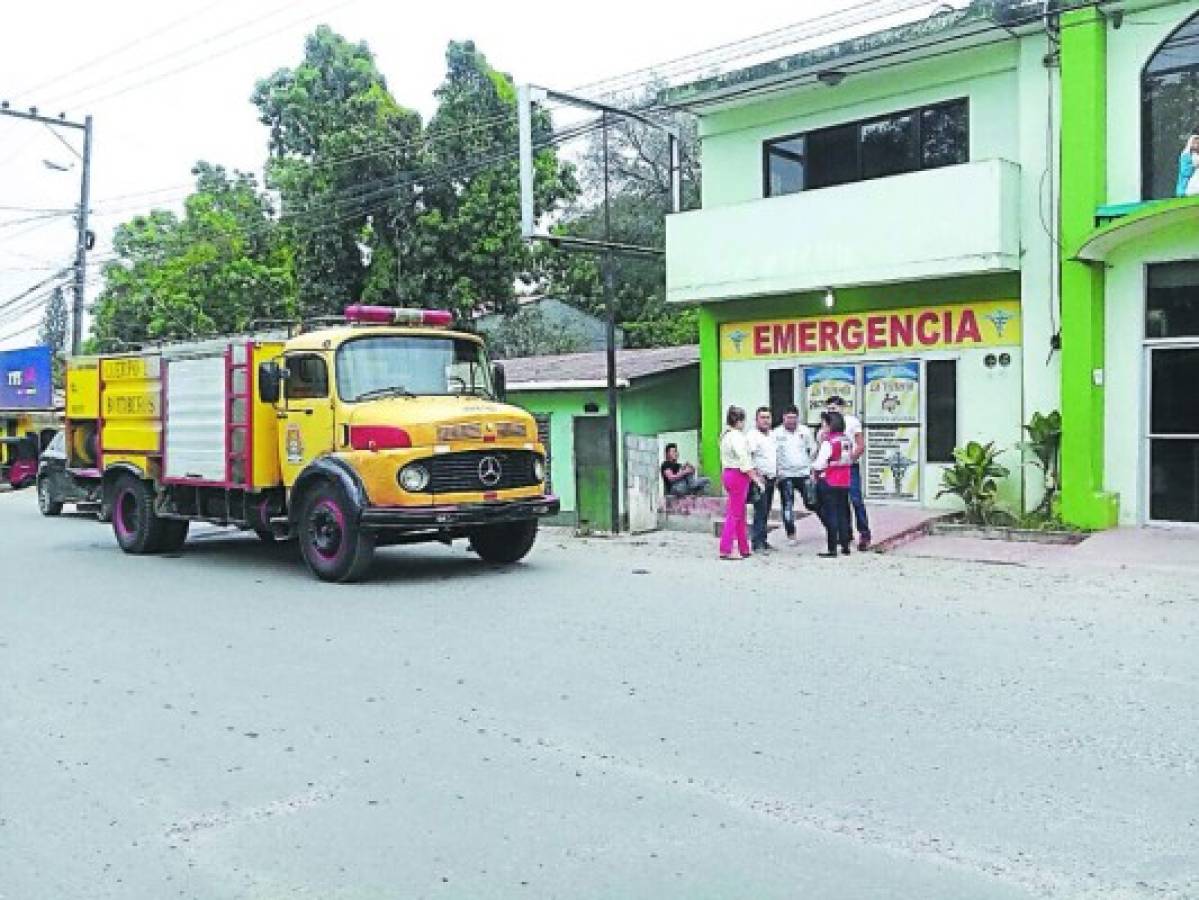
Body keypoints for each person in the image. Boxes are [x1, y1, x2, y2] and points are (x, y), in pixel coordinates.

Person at [822, 395, 872, 550]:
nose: (832, 411)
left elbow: (860, 444)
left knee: (856, 499)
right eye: (829, 409)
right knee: (841, 502)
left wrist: (851, 459)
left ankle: (864, 533)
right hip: (834, 468)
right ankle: (845, 534)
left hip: (850, 466)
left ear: (842, 408)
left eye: (834, 408)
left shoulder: (852, 422)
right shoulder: (827, 424)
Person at [718, 405, 762, 560]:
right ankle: (726, 548)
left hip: (729, 473)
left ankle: (744, 547)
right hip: (738, 474)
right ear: (739, 421)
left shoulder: (725, 435)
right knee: (735, 513)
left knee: (739, 512)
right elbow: (744, 459)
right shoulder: (736, 436)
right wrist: (755, 478)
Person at [773, 404, 818, 545]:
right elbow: (772, 454)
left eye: (794, 418)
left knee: (813, 502)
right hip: (785, 475)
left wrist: (811, 467)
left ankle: (830, 529)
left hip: (803, 473)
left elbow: (813, 448)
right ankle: (791, 534)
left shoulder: (804, 431)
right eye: (789, 418)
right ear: (783, 418)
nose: (791, 421)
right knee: (788, 505)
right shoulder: (776, 433)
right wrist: (777, 472)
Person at [811, 410, 854, 558]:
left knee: (831, 514)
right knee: (843, 513)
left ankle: (832, 548)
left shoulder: (829, 442)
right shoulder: (846, 440)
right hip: (844, 480)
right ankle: (845, 545)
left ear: (830, 425)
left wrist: (814, 471)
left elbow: (819, 463)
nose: (822, 428)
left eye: (824, 425)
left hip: (829, 480)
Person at [747, 406, 778, 552]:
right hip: (759, 480)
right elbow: (749, 456)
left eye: (768, 417)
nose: (766, 420)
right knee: (760, 511)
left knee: (766, 511)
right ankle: (757, 542)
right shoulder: (752, 436)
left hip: (771, 478)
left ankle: (763, 540)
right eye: (763, 417)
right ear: (756, 420)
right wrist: (756, 475)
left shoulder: (772, 435)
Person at [1178, 132, 1199, 198]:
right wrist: (1194, 166)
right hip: (1188, 186)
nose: (1197, 145)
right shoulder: (1186, 156)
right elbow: (1184, 171)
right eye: (1195, 143)